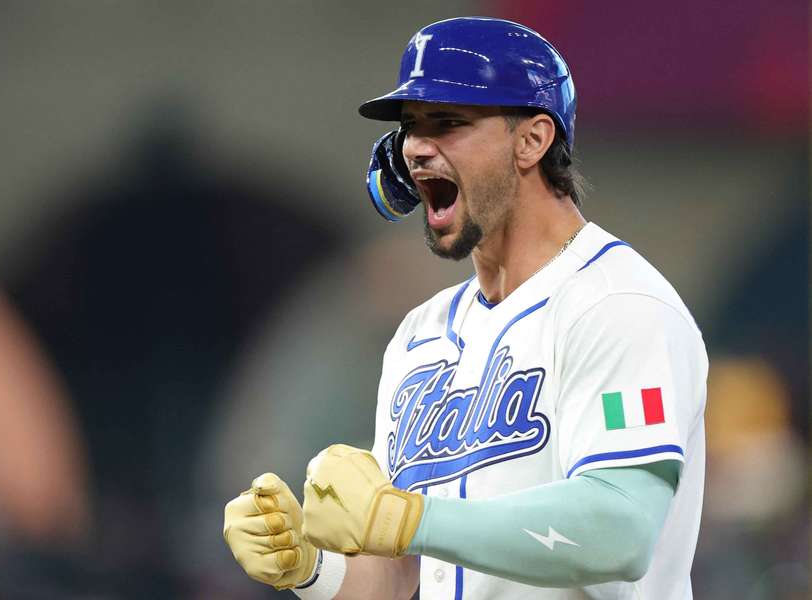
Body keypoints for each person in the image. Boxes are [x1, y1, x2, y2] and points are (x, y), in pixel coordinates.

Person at [223, 17, 707, 600]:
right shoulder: (418, 336)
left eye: (449, 122)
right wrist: (311, 569)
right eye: (411, 127)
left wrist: (409, 519)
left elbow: (620, 531)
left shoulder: (617, 304)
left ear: (532, 139)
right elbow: (401, 577)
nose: (417, 148)